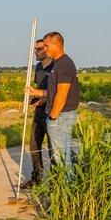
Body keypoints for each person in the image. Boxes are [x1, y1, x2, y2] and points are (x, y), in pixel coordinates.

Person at [41, 32, 80, 172]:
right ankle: (64, 189)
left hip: (61, 116)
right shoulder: (58, 64)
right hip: (60, 116)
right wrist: (37, 92)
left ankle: (66, 190)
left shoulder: (64, 64)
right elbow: (54, 91)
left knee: (62, 158)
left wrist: (53, 117)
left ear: (56, 44)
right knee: (60, 156)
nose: (44, 49)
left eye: (46, 45)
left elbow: (62, 95)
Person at [22, 39, 54, 188]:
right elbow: (38, 88)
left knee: (53, 148)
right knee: (34, 146)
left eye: (39, 49)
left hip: (52, 112)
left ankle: (56, 180)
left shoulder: (56, 67)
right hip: (39, 112)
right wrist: (34, 99)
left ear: (47, 49)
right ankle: (37, 178)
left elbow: (56, 93)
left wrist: (42, 99)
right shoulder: (39, 67)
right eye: (35, 49)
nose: (36, 52)